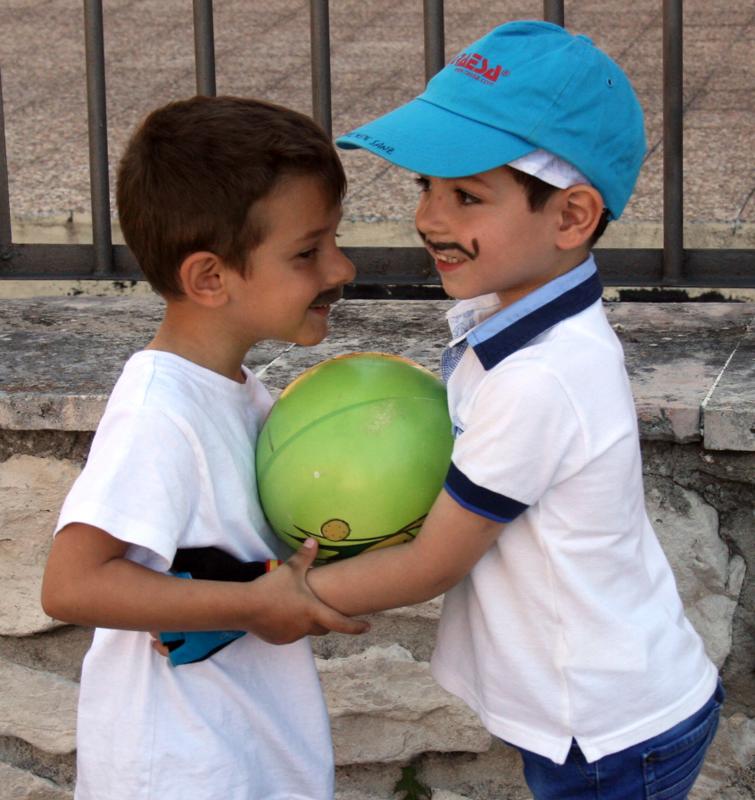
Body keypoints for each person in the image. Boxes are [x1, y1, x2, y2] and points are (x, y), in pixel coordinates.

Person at [306, 21, 722, 799]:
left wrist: (262, 602)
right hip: (601, 718)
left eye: (465, 194)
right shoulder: (518, 333)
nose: (430, 217)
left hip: (609, 738)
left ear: (570, 217)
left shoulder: (541, 376)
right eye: (424, 186)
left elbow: (432, 564)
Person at [40, 95, 368, 800]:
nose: (340, 268)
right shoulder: (161, 411)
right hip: (182, 770)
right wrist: (249, 607)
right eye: (308, 252)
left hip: (245, 757)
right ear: (209, 278)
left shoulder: (243, 397)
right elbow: (71, 585)